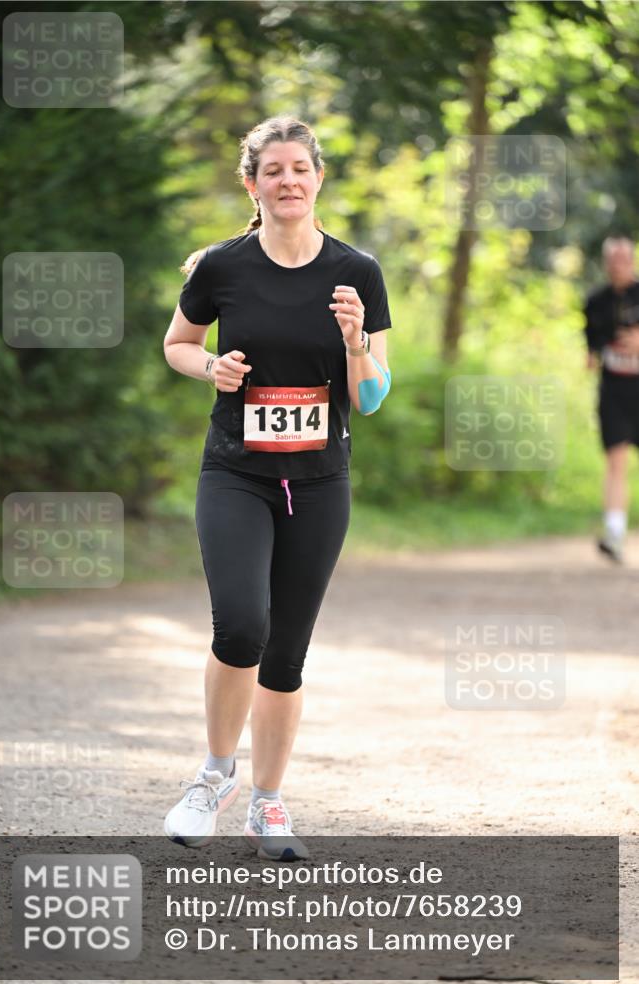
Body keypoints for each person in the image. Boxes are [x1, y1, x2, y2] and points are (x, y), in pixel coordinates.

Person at [162, 115, 392, 861]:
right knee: (241, 627)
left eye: (300, 168)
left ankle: (267, 804)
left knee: (286, 653)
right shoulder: (220, 267)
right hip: (236, 473)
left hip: (320, 483)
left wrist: (356, 343)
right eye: (273, 170)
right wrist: (212, 368)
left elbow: (370, 398)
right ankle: (213, 776)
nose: (288, 181)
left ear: (318, 178)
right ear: (252, 184)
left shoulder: (358, 273)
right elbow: (177, 344)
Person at [583, 236, 639, 564]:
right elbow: (591, 347)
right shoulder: (596, 301)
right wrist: (594, 355)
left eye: (624, 259)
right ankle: (615, 534)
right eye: (613, 260)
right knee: (616, 461)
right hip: (615, 391)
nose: (618, 266)